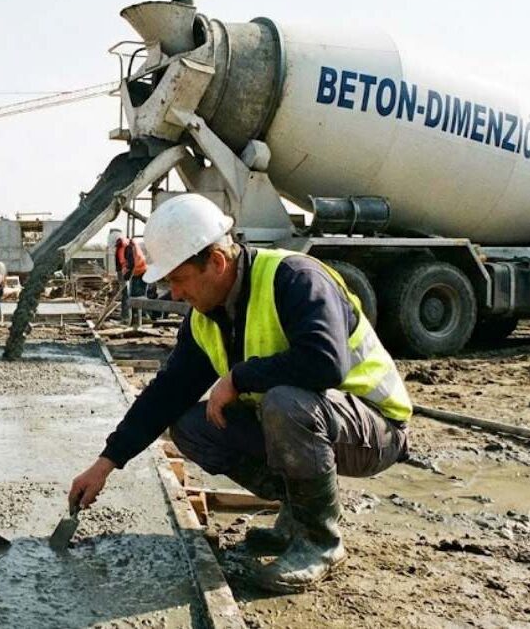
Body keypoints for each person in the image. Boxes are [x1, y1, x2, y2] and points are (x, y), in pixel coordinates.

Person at [69, 194, 412, 593]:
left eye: (178, 280)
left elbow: (325, 363)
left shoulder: (294, 279)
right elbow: (166, 394)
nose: (175, 295)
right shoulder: (206, 318)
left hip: (374, 428)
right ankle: (298, 516)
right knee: (190, 425)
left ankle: (321, 541)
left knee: (286, 402)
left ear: (215, 262)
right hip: (314, 421)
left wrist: (237, 378)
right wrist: (106, 462)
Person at [114, 235, 148, 326]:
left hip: (140, 271)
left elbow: (132, 264)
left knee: (137, 296)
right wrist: (121, 280)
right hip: (133, 272)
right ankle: (128, 319)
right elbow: (118, 266)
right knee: (127, 295)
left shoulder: (129, 247)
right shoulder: (118, 249)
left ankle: (139, 319)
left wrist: (126, 278)